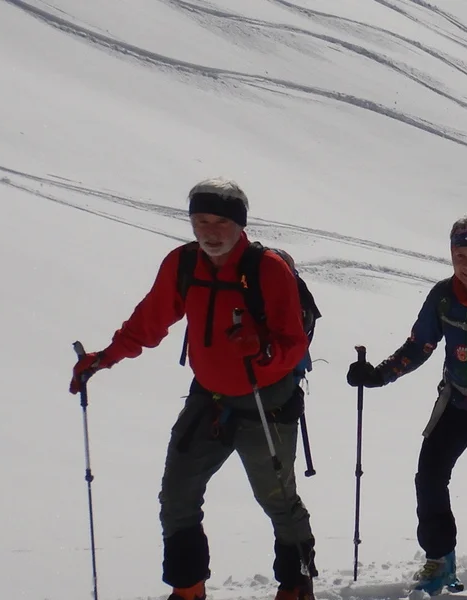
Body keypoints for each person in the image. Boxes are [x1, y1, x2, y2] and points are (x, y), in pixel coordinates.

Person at [69, 178, 316, 600]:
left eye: (220, 221)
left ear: (239, 224)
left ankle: (295, 584)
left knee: (277, 498)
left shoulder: (267, 268)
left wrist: (263, 351)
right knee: (177, 494)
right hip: (211, 398)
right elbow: (150, 320)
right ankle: (188, 590)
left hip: (266, 401)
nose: (210, 231)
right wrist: (104, 358)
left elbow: (293, 344)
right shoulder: (183, 264)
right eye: (200, 220)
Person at [346, 216, 467, 593]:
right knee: (430, 476)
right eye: (459, 255)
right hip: (457, 400)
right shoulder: (442, 296)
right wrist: (378, 375)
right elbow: (419, 345)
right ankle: (439, 559)